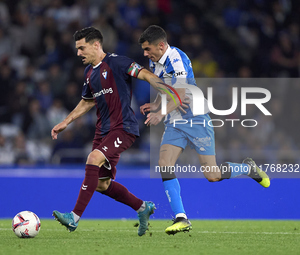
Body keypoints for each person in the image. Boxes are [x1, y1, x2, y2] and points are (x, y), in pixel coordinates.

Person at [138, 25, 270, 235]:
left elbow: (179, 93)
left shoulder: (176, 58)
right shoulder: (155, 61)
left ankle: (247, 168)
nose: (145, 54)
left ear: (161, 46)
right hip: (175, 121)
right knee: (164, 163)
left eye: (147, 49)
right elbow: (165, 87)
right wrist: (156, 104)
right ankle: (181, 217)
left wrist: (160, 113)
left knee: (212, 175)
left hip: (196, 119)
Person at [51, 27, 171, 236]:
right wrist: (66, 121)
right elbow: (87, 101)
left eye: (82, 48)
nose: (78, 53)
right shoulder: (89, 73)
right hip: (103, 131)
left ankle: (74, 217)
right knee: (101, 184)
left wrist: (167, 91)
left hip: (123, 127)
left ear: (96, 45)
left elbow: (145, 75)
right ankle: (143, 207)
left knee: (93, 157)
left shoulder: (117, 62)